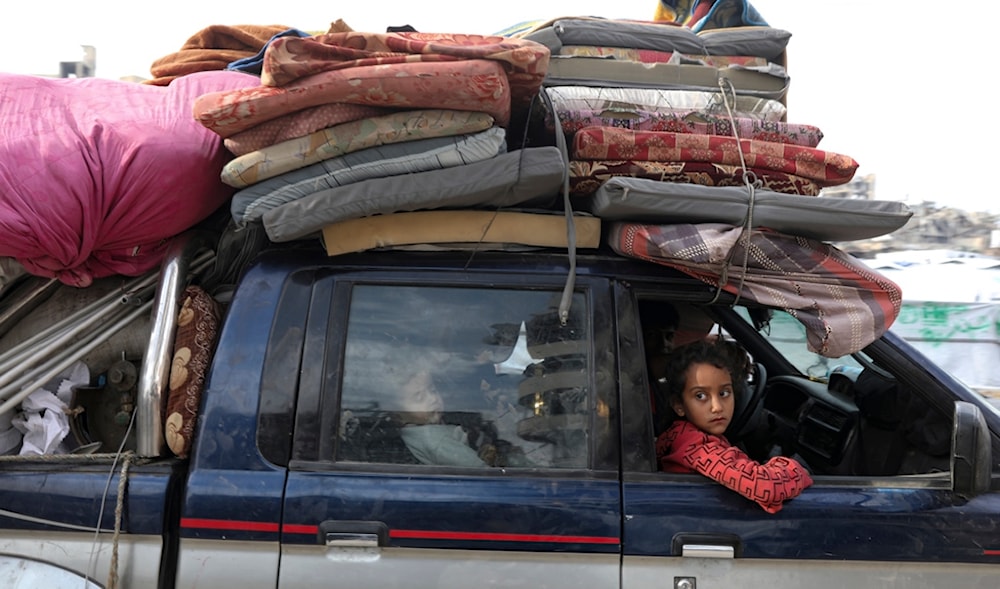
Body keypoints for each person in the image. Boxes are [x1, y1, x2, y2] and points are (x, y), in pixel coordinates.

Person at [655, 339, 813, 513]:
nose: (717, 407)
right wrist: (796, 468)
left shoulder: (679, 433)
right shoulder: (697, 447)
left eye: (724, 393)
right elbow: (766, 487)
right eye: (700, 396)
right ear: (679, 405)